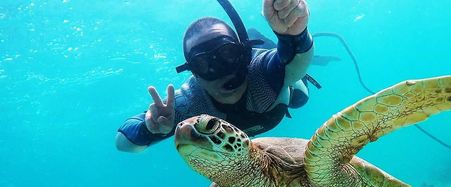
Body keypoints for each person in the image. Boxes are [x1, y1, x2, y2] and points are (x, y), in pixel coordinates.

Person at [116, 0, 314, 152]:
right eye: (204, 63)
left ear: (243, 55)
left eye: (228, 53)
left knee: (299, 92)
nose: (221, 70)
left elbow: (295, 64)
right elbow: (123, 142)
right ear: (193, 72)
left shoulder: (261, 72)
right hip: (269, 106)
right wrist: (149, 129)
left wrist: (296, 35)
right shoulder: (189, 105)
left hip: (282, 78)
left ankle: (280, 48)